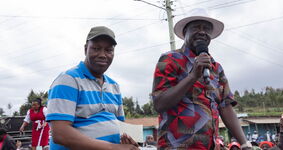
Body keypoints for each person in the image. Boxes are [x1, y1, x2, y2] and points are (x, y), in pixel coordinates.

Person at [151, 8, 251, 150]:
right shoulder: (169, 59)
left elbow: (226, 107)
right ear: (185, 32)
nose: (203, 32)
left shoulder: (216, 68)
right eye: (196, 27)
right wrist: (192, 77)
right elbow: (159, 103)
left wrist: (245, 143)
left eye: (207, 29)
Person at [46, 26, 138, 150]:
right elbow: (60, 134)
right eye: (96, 48)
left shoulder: (114, 86)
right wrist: (113, 148)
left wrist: (130, 144)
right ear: (85, 49)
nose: (102, 55)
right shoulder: (68, 80)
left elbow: (121, 128)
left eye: (108, 50)